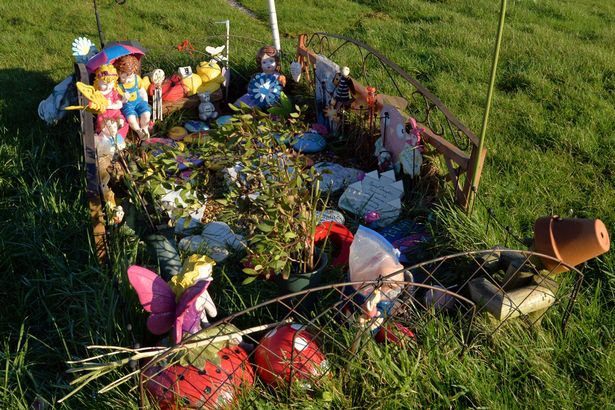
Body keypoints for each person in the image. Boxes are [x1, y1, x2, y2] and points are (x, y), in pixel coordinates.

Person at [114, 55, 152, 138]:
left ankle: (145, 128)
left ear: (134, 73)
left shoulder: (137, 79)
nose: (127, 80)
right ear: (118, 74)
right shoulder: (118, 85)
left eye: (130, 77)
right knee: (131, 119)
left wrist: (145, 101)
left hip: (139, 102)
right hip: (128, 106)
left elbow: (142, 91)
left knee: (146, 113)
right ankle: (138, 131)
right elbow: (117, 99)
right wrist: (123, 99)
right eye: (123, 77)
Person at [93, 64, 128, 137]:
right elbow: (96, 105)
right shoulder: (98, 94)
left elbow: (119, 103)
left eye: (111, 84)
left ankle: (119, 137)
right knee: (108, 125)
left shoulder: (113, 92)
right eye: (105, 84)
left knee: (121, 122)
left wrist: (119, 102)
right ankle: (108, 139)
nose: (108, 87)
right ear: (97, 82)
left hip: (116, 113)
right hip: (104, 115)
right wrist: (109, 106)